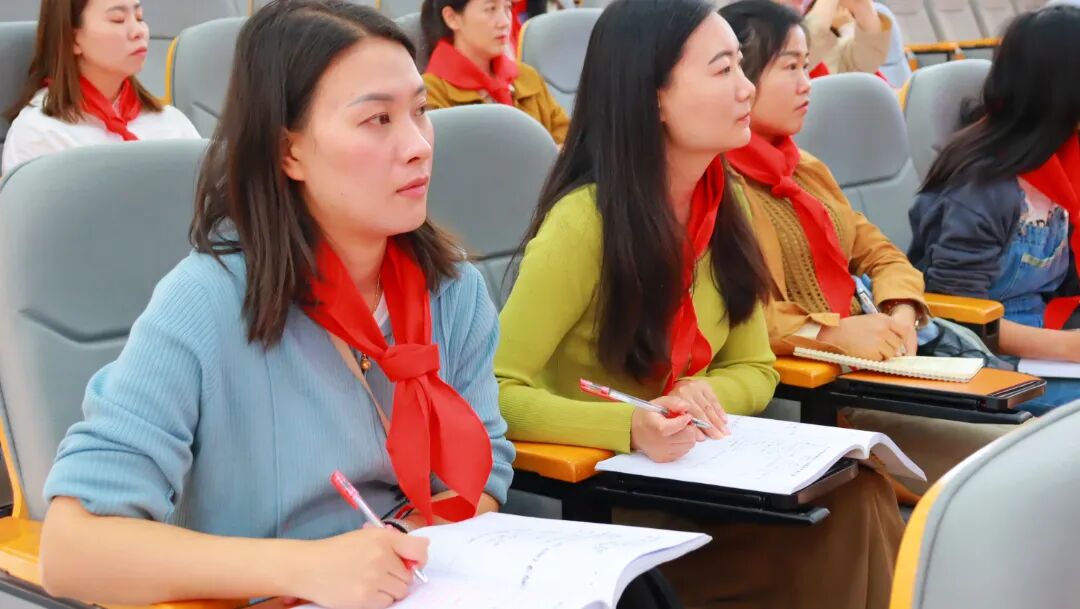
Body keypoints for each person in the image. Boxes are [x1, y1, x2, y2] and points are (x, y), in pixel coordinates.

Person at [38, 3, 514, 608]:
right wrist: (308, 568)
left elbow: (484, 470)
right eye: (377, 119)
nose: (419, 145)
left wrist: (402, 544)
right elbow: (71, 549)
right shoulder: (205, 302)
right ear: (289, 152)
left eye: (420, 111)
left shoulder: (452, 289)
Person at [495, 1, 904, 607]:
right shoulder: (584, 225)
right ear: (654, 97)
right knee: (834, 532)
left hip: (702, 473)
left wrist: (701, 394)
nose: (745, 89)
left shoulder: (720, 204)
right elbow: (496, 391)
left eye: (741, 66)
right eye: (722, 70)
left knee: (859, 492)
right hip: (619, 500)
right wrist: (630, 425)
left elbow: (755, 368)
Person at [719, 0, 1015, 496]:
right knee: (1011, 469)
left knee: (1031, 441)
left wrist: (901, 310)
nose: (807, 83)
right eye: (790, 68)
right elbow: (746, 319)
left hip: (880, 365)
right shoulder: (719, 187)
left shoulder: (804, 168)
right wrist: (834, 333)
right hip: (818, 390)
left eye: (806, 65)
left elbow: (881, 253)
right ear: (740, 81)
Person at [908, 4, 1080, 415]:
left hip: (1045, 336)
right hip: (982, 360)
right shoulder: (984, 187)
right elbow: (956, 317)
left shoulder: (1064, 160)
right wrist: (1067, 348)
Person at [1, 0, 199, 175]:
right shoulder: (40, 134)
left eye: (139, 17)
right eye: (118, 19)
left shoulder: (172, 123)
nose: (139, 31)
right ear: (73, 38)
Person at [420, 0, 570, 144]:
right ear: (452, 18)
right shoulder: (429, 93)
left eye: (507, 7)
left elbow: (569, 139)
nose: (504, 22)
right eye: (490, 9)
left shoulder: (526, 76)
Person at [773, 0, 892, 77]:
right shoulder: (764, 37)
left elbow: (863, 65)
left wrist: (861, 5)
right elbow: (802, 49)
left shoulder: (827, 38)